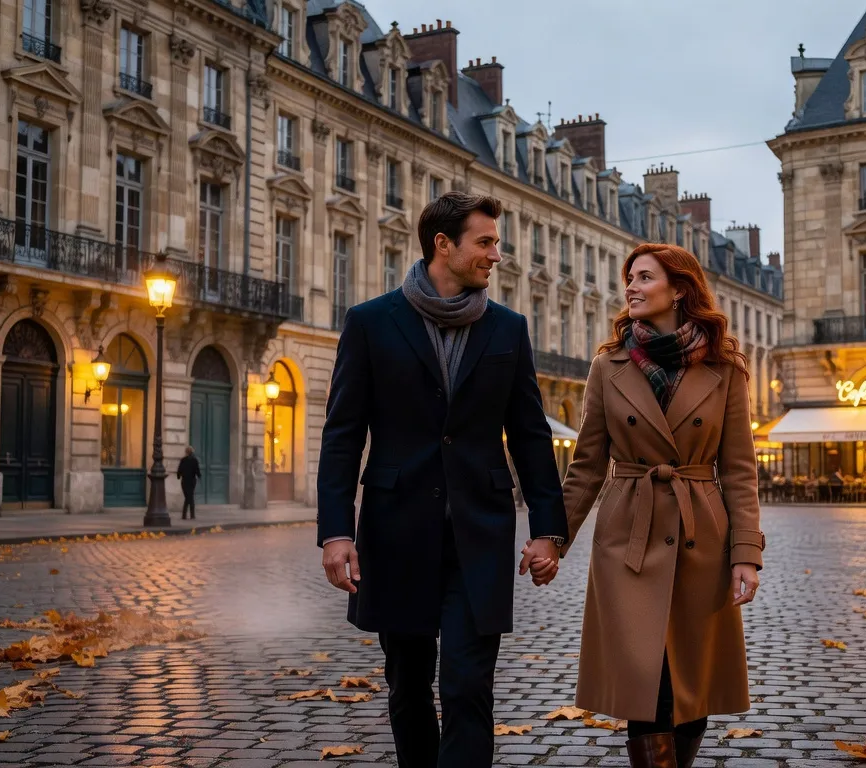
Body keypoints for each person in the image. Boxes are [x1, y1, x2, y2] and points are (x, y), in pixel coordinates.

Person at [317, 192, 567, 768]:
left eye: (495, 243)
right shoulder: (371, 322)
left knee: (466, 685)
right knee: (407, 687)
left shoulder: (508, 329)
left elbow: (530, 435)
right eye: (485, 242)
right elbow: (343, 435)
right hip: (396, 531)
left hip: (478, 535)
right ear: (443, 245)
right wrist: (335, 532)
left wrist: (548, 529)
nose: (495, 255)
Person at [557, 243, 765, 768]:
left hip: (702, 536)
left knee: (691, 683)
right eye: (629, 278)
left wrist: (746, 553)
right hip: (629, 532)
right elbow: (586, 465)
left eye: (644, 277)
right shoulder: (609, 367)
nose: (630, 286)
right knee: (644, 684)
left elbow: (740, 470)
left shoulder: (726, 369)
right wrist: (553, 537)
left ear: (679, 289)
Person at [176, 446, 201, 520]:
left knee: (188, 497)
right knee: (190, 497)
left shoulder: (183, 460)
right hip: (192, 481)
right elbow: (197, 470)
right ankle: (191, 515)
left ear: (186, 452)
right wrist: (199, 476)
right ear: (192, 452)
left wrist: (178, 476)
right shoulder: (194, 460)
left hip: (184, 481)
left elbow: (179, 470)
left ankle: (184, 515)